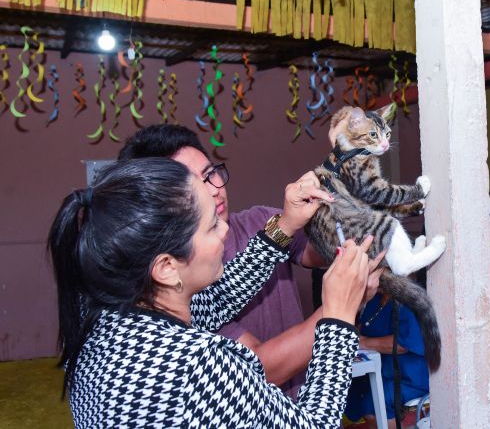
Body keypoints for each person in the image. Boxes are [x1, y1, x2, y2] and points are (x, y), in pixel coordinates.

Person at [49, 157, 373, 426]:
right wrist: (339, 317)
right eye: (211, 225)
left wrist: (285, 225)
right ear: (166, 267)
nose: (226, 229)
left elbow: (217, 298)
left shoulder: (98, 323)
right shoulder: (196, 366)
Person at [118, 124, 382, 397]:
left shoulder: (173, 293)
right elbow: (259, 371)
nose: (213, 192)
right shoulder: (181, 346)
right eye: (192, 188)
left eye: (210, 175)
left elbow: (226, 292)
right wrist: (340, 310)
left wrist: (322, 212)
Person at [345, 290, 430, 429]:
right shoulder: (375, 299)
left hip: (409, 377)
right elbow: (365, 327)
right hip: (383, 370)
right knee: (348, 387)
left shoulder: (409, 301)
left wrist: (364, 342)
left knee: (373, 400)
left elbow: (402, 344)